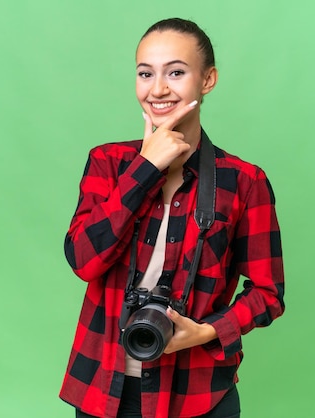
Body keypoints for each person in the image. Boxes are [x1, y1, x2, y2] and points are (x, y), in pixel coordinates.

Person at [59, 18, 285, 418]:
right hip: (104, 387)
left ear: (208, 79)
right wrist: (145, 167)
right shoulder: (107, 163)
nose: (158, 89)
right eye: (145, 73)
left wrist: (207, 331)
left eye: (176, 72)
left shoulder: (245, 182)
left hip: (198, 394)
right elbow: (83, 259)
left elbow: (268, 293)